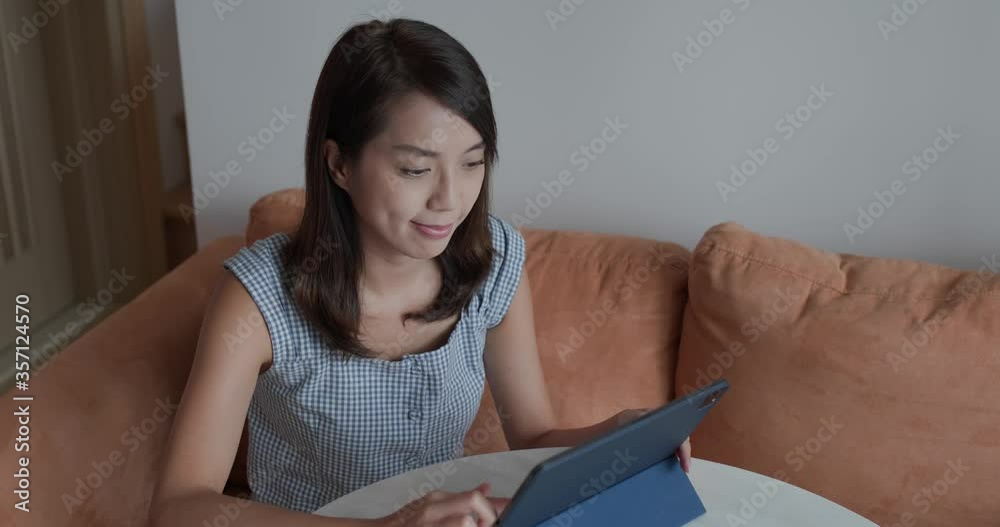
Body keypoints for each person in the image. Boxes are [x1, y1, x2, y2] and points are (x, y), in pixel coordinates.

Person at [150, 17, 690, 527]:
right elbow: (178, 507)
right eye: (415, 169)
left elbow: (533, 434)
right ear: (339, 164)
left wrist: (619, 435)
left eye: (473, 162)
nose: (450, 200)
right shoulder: (259, 294)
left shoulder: (493, 262)